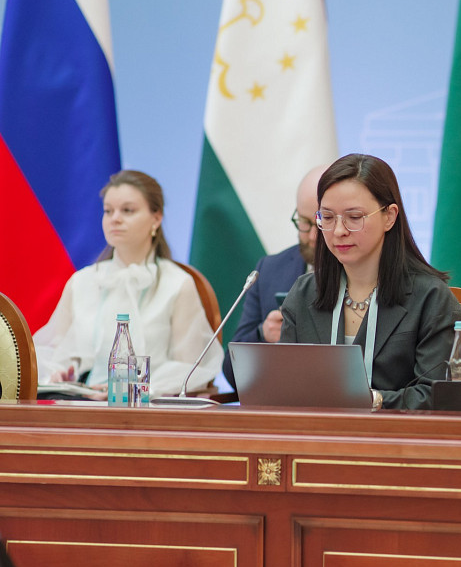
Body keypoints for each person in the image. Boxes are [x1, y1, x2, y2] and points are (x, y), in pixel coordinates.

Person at [280, 154, 461, 410]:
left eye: (354, 217)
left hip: (397, 435)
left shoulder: (430, 297)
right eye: (328, 218)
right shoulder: (303, 293)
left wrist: (373, 401)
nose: (339, 231)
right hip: (314, 433)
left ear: (389, 216)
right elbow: (285, 386)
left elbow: (440, 398)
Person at [34, 170, 222, 397]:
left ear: (156, 218)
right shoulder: (82, 281)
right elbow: (57, 352)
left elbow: (191, 368)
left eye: (127, 210)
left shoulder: (177, 283)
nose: (115, 219)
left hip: (146, 406)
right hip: (82, 402)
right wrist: (61, 373)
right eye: (108, 211)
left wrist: (134, 389)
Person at [221, 164, 327, 389]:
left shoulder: (360, 272)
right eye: (305, 222)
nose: (312, 236)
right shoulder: (270, 270)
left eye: (322, 223)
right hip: (280, 403)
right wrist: (263, 335)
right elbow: (231, 372)